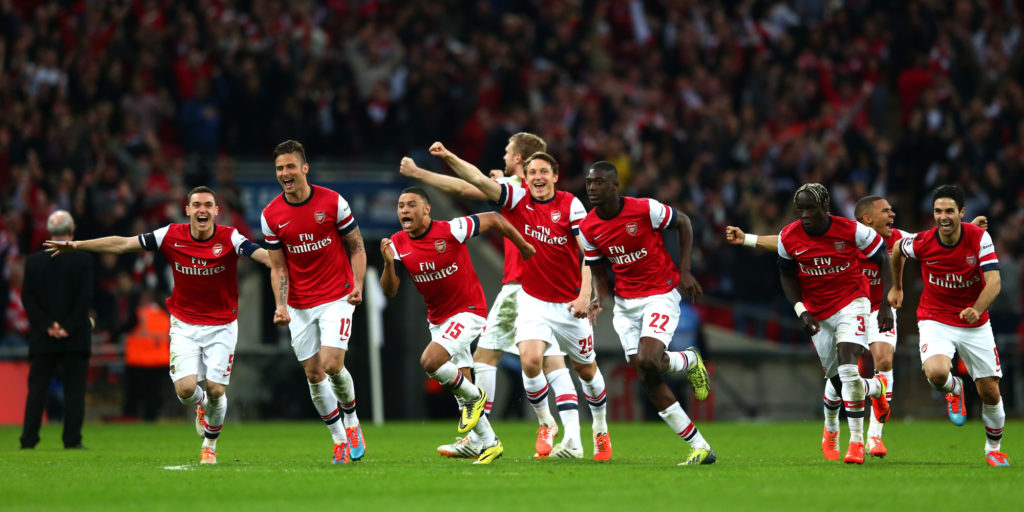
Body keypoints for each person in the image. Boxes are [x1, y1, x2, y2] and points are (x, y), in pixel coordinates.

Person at [726, 197, 986, 459]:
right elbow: (784, 243)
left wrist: (968, 230)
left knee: (882, 360)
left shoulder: (896, 237)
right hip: (836, 307)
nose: (892, 214)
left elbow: (935, 238)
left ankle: (873, 437)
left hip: (871, 307)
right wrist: (749, 238)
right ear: (868, 219)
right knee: (839, 376)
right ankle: (834, 425)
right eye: (886, 211)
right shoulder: (850, 235)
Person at [45, 187, 270, 464]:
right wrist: (78, 245)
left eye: (208, 205)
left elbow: (260, 254)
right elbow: (122, 244)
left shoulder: (229, 237)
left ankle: (209, 446)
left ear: (216, 211)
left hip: (222, 324)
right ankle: (200, 406)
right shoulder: (170, 235)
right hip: (185, 324)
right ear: (187, 210)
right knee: (186, 391)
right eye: (196, 204)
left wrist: (283, 264)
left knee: (216, 390)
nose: (202, 210)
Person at [401, 133, 587, 459]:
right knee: (550, 361)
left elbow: (465, 187)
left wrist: (421, 173)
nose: (502, 156)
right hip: (552, 290)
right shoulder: (537, 191)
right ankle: (569, 436)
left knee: (486, 358)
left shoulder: (517, 188)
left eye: (507, 151)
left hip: (521, 286)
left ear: (519, 159)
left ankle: (484, 435)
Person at [379, 187, 536, 464]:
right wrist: (388, 264)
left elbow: (496, 219)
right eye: (401, 205)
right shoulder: (397, 243)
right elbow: (390, 291)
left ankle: (476, 399)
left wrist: (522, 245)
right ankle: (485, 442)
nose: (404, 210)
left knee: (430, 361)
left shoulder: (453, 229)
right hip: (437, 319)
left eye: (411, 204)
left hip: (468, 312)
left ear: (427, 209)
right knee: (459, 381)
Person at [580, 162, 715, 465]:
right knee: (646, 373)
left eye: (599, 182)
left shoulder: (644, 209)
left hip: (660, 293)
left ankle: (691, 359)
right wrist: (598, 299)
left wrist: (685, 271)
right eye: (589, 183)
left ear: (615, 186)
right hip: (626, 304)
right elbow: (600, 272)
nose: (592, 188)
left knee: (648, 359)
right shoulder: (588, 228)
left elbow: (684, 222)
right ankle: (701, 446)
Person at [261, 140, 368, 464]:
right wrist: (281, 304)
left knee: (333, 364)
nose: (285, 173)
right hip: (299, 303)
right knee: (313, 373)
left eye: (290, 166)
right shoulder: (271, 215)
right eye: (280, 168)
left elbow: (357, 246)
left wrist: (359, 284)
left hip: (337, 294)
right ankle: (338, 439)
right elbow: (278, 266)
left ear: (304, 168)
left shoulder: (333, 202)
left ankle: (352, 422)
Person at [889, 184, 1008, 467]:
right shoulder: (922, 241)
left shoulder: (979, 238)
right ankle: (954, 389)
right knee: (936, 373)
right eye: (938, 211)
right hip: (935, 317)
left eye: (950, 211)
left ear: (962, 212)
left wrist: (977, 308)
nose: (943, 216)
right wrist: (897, 287)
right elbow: (896, 249)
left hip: (974, 321)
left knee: (990, 392)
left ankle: (994, 448)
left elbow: (995, 282)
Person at [774, 183, 892, 464]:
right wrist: (801, 310)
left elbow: (883, 257)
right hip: (817, 313)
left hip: (853, 302)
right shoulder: (788, 237)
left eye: (810, 208)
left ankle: (855, 443)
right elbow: (787, 276)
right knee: (838, 380)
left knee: (849, 367)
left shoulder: (852, 230)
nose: (804, 215)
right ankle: (874, 390)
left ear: (825, 208)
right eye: (799, 209)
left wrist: (886, 303)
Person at [20, 210, 93, 450]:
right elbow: (84, 299)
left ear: (50, 233)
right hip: (75, 338)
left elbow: (28, 300)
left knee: (37, 390)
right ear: (71, 232)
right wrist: (69, 327)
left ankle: (29, 439)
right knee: (74, 391)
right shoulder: (83, 260)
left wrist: (48, 325)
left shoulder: (33, 262)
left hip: (43, 338)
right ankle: (72, 440)